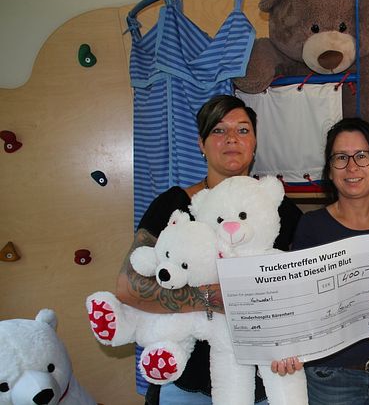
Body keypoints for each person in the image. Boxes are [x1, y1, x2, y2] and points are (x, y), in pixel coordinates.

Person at [115, 95, 304, 405]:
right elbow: (129, 287)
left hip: (261, 385)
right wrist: (212, 298)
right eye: (218, 130)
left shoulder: (281, 211)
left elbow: (301, 289)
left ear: (254, 143)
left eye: (243, 130)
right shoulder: (173, 204)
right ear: (201, 144)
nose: (231, 138)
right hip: (185, 382)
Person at [292, 118, 369, 405]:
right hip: (332, 379)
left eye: (362, 156)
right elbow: (300, 306)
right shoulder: (311, 227)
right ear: (330, 171)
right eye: (341, 158)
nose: (352, 167)